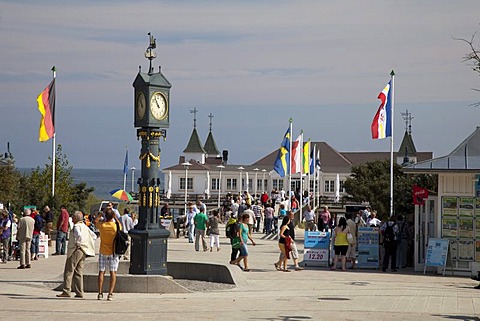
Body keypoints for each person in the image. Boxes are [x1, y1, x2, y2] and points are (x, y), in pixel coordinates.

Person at [56, 211, 96, 298]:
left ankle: (66, 290)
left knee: (69, 270)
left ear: (76, 218)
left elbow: (79, 236)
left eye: (73, 217)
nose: (72, 219)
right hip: (84, 250)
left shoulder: (76, 226)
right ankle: (79, 292)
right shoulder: (85, 226)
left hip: (76, 250)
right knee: (78, 271)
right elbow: (93, 236)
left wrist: (78, 244)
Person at [95, 208, 121, 301]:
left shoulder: (102, 226)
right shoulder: (115, 226)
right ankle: (110, 293)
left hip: (103, 251)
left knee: (101, 272)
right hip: (113, 251)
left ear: (106, 216)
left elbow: (95, 221)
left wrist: (100, 215)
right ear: (113, 216)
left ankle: (100, 293)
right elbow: (120, 226)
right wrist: (116, 218)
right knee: (113, 272)